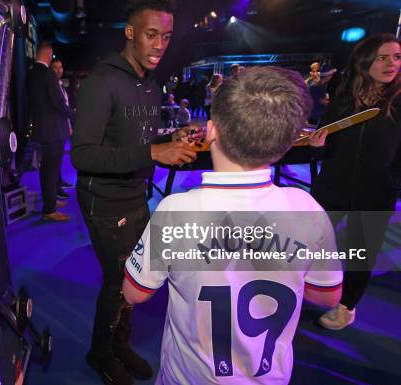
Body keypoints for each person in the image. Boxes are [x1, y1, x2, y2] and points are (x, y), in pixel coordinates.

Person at [123, 66, 343, 385]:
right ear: (286, 143)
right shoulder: (307, 209)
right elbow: (328, 297)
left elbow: (134, 292)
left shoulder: (175, 210)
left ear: (211, 131)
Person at [71, 0, 199, 385]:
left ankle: (119, 345)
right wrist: (153, 153)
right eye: (150, 35)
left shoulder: (150, 84)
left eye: (166, 36)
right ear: (130, 32)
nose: (160, 45)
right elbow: (84, 156)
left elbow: (135, 136)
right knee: (119, 283)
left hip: (135, 194)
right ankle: (100, 353)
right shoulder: (101, 82)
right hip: (105, 200)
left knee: (132, 280)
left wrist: (173, 133)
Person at [310, 33, 401, 330]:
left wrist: (392, 181)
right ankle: (298, 288)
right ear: (365, 62)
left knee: (360, 251)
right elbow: (328, 134)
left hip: (375, 191)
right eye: (382, 57)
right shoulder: (344, 95)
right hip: (333, 184)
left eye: (397, 57)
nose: (392, 64)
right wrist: (319, 143)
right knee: (309, 240)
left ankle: (346, 306)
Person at [26, 42, 75, 222]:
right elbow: (58, 103)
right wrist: (73, 114)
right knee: (51, 170)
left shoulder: (30, 74)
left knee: (47, 169)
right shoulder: (48, 75)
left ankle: (51, 202)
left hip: (41, 130)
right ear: (48, 55)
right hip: (54, 131)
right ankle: (49, 209)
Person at [51, 58, 74, 194]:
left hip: (63, 126)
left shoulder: (60, 85)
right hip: (55, 129)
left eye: (61, 67)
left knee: (59, 159)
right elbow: (60, 108)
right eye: (56, 68)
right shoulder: (53, 86)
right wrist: (72, 113)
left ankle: (59, 182)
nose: (59, 70)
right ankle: (56, 187)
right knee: (54, 161)